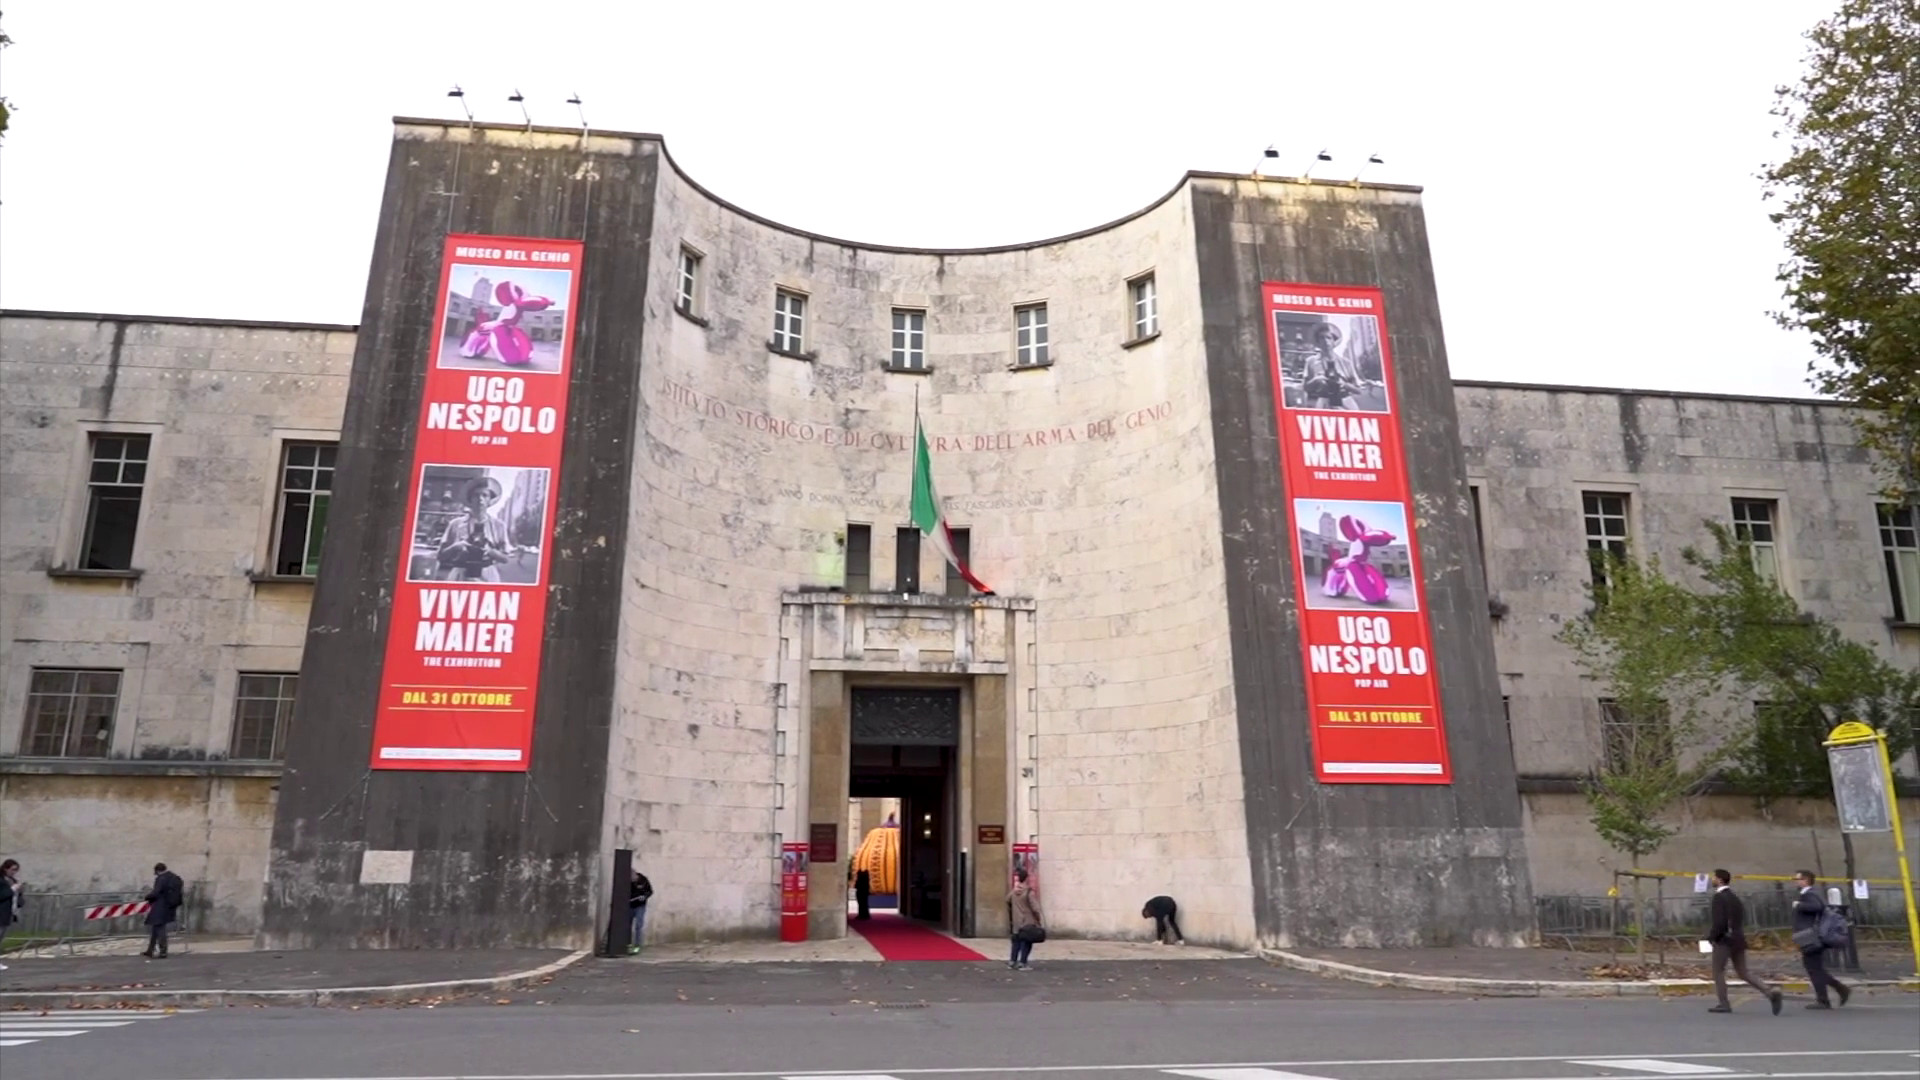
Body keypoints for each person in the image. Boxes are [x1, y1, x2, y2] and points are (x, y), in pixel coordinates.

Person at [1705, 869, 1781, 1014]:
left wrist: (1712, 937)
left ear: (1720, 880)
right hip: (1738, 939)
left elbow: (1719, 922)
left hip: (1724, 941)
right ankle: (1770, 993)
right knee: (1743, 972)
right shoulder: (1734, 897)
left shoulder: (1719, 898)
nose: (1711, 879)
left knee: (1718, 971)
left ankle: (1724, 1003)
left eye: (1713, 877)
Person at [436, 477, 516, 582]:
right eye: (476, 495)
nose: (480, 498)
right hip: (460, 574)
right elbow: (440, 555)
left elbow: (506, 558)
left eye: (485, 495)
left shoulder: (499, 526)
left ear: (489, 500)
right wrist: (456, 547)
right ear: (470, 499)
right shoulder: (455, 524)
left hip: (488, 575)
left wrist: (490, 551)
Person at [1791, 870, 1851, 1009]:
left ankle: (1827, 997)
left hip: (1811, 936)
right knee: (1815, 968)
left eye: (1797, 878)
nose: (1795, 881)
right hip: (1811, 935)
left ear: (1805, 880)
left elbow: (1817, 907)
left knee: (1813, 968)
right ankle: (1834, 992)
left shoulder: (1809, 894)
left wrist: (1798, 905)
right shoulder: (1810, 893)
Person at [143, 862, 185, 959]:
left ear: (157, 871)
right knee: (155, 928)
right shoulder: (172, 877)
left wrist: (147, 897)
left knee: (160, 929)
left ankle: (163, 951)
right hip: (169, 906)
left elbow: (156, 892)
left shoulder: (161, 879)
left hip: (160, 907)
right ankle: (150, 949)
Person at [1007, 868, 1042, 970]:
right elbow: (1035, 908)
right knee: (1026, 942)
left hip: (1016, 921)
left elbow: (1007, 900)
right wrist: (1038, 919)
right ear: (1026, 878)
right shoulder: (1028, 892)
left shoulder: (1013, 892)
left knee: (1016, 941)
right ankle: (1023, 962)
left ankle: (1012, 961)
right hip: (1028, 921)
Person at [0, 858, 21, 971]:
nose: (14, 872)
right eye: (12, 869)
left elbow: (16, 895)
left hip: (8, 912)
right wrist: (12, 890)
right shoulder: (1, 880)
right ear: (5, 868)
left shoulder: (12, 880)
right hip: (1, 911)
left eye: (16, 870)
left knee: (1, 936)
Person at [627, 868, 653, 954]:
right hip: (629, 906)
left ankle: (637, 945)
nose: (632, 880)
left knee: (638, 925)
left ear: (635, 874)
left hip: (640, 906)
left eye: (632, 877)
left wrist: (644, 896)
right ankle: (628, 944)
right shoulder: (627, 882)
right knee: (627, 925)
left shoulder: (643, 880)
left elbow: (650, 891)